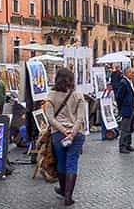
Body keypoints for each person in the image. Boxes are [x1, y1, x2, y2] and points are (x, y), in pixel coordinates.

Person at [44, 67, 87, 206]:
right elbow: (81, 118)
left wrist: (63, 131)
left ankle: (63, 190)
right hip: (77, 134)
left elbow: (50, 118)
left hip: (58, 134)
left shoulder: (51, 95)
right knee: (72, 162)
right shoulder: (78, 95)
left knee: (61, 162)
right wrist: (72, 132)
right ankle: (68, 196)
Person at [115, 67, 134, 153]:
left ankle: (128, 144)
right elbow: (119, 97)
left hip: (132, 108)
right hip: (127, 109)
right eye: (132, 73)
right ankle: (122, 146)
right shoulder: (123, 82)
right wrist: (122, 107)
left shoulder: (130, 81)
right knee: (125, 128)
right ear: (127, 73)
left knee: (130, 128)